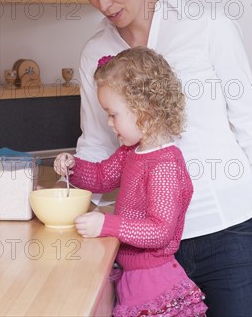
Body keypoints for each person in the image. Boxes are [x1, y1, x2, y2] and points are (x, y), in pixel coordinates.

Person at [68, 0, 252, 316]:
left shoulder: (207, 27)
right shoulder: (95, 52)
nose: (103, 4)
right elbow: (97, 144)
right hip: (144, 254)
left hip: (231, 234)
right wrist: (71, 193)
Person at [55, 47, 208, 317]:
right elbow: (102, 177)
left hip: (154, 283)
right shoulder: (131, 152)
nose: (109, 123)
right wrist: (73, 168)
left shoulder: (164, 164)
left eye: (113, 114)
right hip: (133, 278)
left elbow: (159, 231)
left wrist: (107, 224)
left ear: (145, 112)